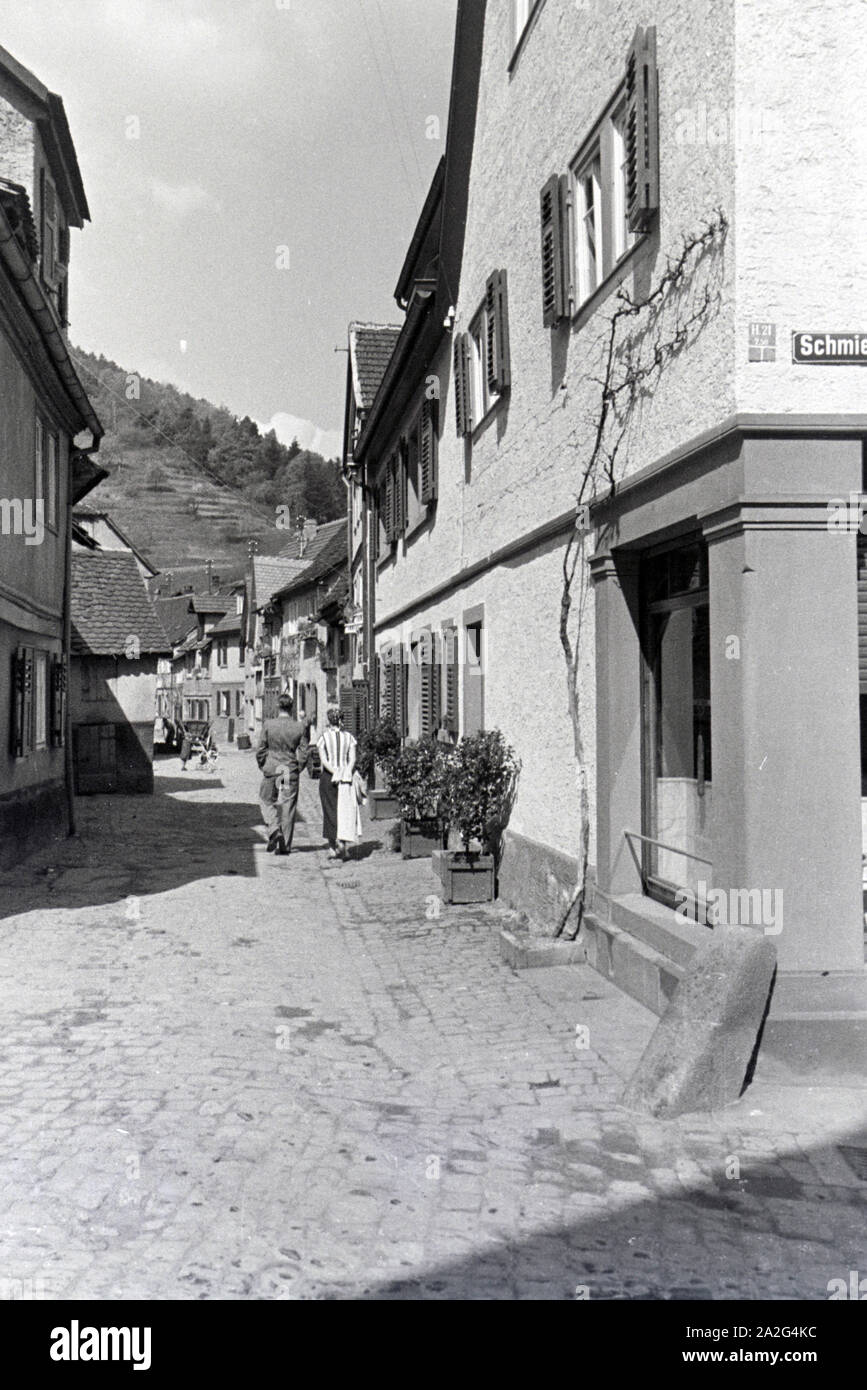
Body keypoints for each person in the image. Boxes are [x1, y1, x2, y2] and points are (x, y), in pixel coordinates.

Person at [256, 694, 309, 855]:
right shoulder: (299, 727)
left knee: (266, 800)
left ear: (278, 707)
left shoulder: (268, 725)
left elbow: (260, 749)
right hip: (287, 771)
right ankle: (285, 845)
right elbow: (304, 752)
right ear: (291, 708)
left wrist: (263, 764)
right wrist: (297, 767)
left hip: (272, 768)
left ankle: (273, 829)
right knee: (287, 805)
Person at [317, 706, 362, 860]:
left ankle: (332, 846)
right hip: (345, 778)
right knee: (344, 810)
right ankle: (342, 843)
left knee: (329, 810)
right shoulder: (349, 737)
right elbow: (353, 759)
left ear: (329, 721)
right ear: (341, 721)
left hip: (328, 777)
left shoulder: (323, 738)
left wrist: (334, 771)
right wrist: (345, 772)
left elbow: (324, 760)